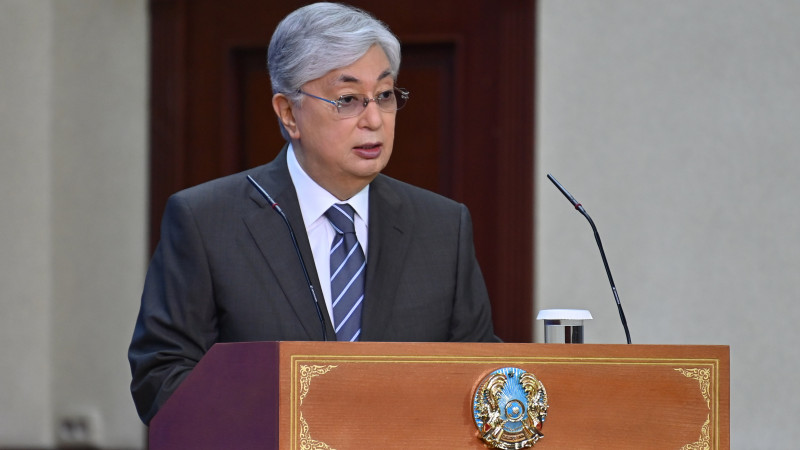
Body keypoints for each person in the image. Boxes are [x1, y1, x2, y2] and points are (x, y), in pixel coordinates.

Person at [128, 2, 499, 425]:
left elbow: (481, 376)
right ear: (289, 113)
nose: (374, 119)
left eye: (384, 95)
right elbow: (162, 377)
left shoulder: (443, 227)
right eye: (348, 100)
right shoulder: (206, 221)